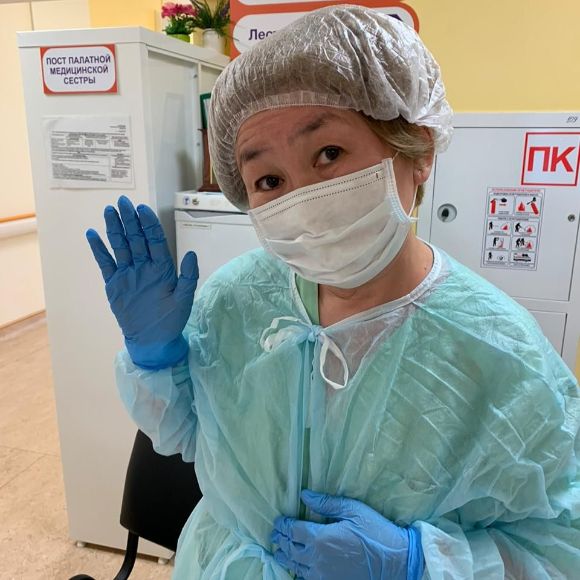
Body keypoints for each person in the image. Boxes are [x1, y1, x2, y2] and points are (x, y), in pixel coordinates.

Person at [86, 5, 580, 579]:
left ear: (417, 148)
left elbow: (562, 548)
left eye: (328, 154)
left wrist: (416, 562)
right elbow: (189, 435)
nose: (303, 198)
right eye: (269, 180)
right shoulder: (235, 300)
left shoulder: (500, 353)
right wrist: (156, 358)